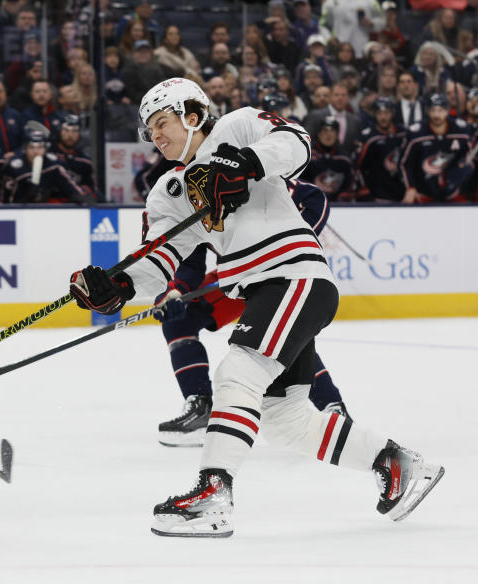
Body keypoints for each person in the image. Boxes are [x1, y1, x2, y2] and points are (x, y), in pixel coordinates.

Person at [67, 77, 443, 537]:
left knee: (236, 374)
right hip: (263, 290)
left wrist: (245, 163)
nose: (156, 136)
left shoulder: (238, 126)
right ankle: (398, 463)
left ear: (191, 114)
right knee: (285, 421)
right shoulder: (169, 190)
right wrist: (119, 285)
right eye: (151, 129)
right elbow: (162, 258)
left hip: (294, 274)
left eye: (162, 123)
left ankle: (213, 493)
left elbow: (296, 141)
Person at [155, 177, 346, 447]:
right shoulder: (190, 193)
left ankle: (333, 408)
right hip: (240, 279)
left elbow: (314, 198)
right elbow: (192, 261)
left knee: (280, 338)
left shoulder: (240, 175)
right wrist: (177, 291)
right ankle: (200, 407)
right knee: (180, 321)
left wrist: (285, 246)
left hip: (282, 275)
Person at [400, 93, 474, 203]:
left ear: (447, 111)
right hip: (423, 193)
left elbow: (468, 157)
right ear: (427, 111)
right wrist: (410, 187)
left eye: (440, 110)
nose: (436, 115)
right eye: (433, 110)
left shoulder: (461, 130)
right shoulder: (416, 133)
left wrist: (463, 167)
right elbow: (405, 163)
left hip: (453, 193)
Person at [1, 128, 94, 204]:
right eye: (31, 147)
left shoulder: (53, 165)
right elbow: (7, 199)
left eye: (40, 147)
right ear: (25, 149)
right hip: (18, 211)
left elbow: (70, 188)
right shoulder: (14, 168)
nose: (35, 152)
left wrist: (82, 199)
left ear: (45, 149)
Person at [355, 96, 406, 202]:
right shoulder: (368, 137)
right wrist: (364, 190)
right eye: (380, 113)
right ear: (374, 114)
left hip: (402, 194)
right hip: (378, 196)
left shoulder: (403, 133)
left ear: (392, 113)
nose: (383, 117)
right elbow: (358, 167)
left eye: (386, 113)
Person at [52, 113, 96, 196]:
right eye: (66, 130)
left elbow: (91, 191)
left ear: (79, 134)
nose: (70, 135)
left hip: (75, 205)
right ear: (59, 132)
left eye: (75, 131)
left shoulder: (85, 162)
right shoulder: (48, 157)